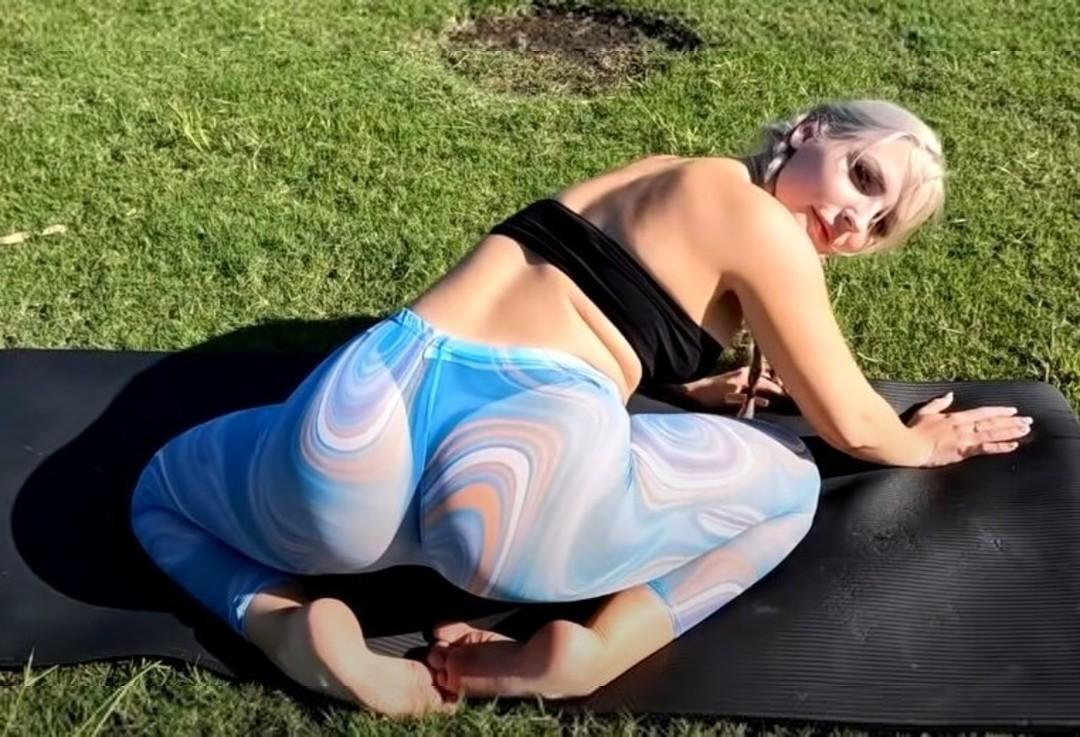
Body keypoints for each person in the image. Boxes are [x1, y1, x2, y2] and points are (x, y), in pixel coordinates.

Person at [130, 100, 1033, 717]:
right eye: (864, 178)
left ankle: (284, 626)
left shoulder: (657, 173)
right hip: (514, 470)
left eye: (880, 227)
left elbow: (591, 297)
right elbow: (850, 421)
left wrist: (690, 386)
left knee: (162, 492)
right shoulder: (767, 230)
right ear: (809, 132)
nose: (852, 225)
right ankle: (587, 654)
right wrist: (921, 442)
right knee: (792, 484)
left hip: (361, 410)